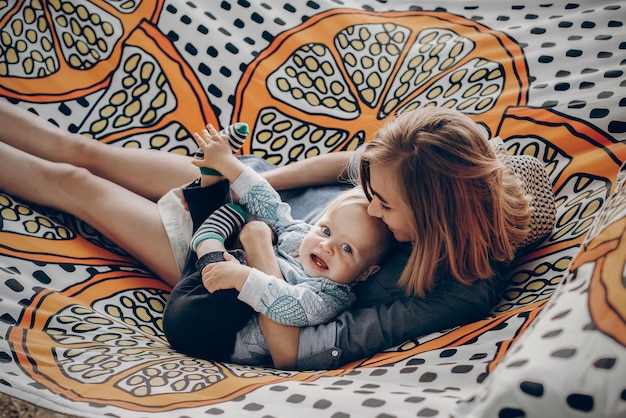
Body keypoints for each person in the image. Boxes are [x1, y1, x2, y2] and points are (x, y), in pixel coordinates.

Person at [0, 100, 556, 370]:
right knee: (84, 153)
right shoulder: (435, 161)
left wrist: (258, 250)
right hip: (266, 205)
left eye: (383, 206)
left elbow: (295, 349)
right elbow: (346, 164)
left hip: (238, 276)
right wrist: (249, 179)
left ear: (434, 220)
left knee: (75, 184)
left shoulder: (450, 290)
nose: (373, 210)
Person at [163, 123, 395, 364]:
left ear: (366, 272)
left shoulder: (331, 296)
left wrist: (240, 276)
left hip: (213, 335)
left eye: (347, 249)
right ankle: (214, 177)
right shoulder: (300, 236)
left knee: (236, 247)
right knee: (235, 225)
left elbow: (287, 303)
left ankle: (210, 227)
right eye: (326, 230)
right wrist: (232, 166)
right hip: (207, 278)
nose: (327, 246)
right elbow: (271, 205)